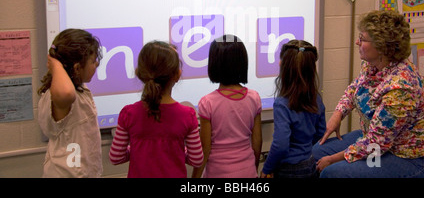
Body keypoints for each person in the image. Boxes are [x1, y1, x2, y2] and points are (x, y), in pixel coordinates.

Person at [313, 10, 424, 178]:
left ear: (382, 46)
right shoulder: (373, 65)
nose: (357, 42)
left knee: (331, 173)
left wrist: (332, 159)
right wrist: (338, 114)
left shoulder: (401, 87)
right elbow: (355, 88)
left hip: (411, 157)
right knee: (317, 152)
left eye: (362, 39)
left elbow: (376, 144)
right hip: (380, 141)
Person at [109, 41, 203, 177]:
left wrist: (136, 149)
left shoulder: (128, 114)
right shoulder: (187, 115)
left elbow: (116, 157)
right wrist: (177, 150)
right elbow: (197, 159)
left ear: (140, 73)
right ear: (177, 74)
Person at [192, 34, 262, 178]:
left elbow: (205, 149)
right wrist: (253, 167)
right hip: (248, 171)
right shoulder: (254, 97)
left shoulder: (207, 102)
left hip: (218, 173)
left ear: (214, 64)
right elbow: (257, 142)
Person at [37, 29, 103, 177]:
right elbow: (66, 93)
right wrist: (56, 66)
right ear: (77, 68)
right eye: (93, 61)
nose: (97, 64)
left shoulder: (80, 89)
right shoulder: (59, 95)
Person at [260, 40, 326, 178]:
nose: (278, 63)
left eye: (281, 60)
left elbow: (280, 144)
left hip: (288, 170)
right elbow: (320, 133)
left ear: (286, 68)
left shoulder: (282, 104)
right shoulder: (316, 99)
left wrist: (266, 168)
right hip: (310, 164)